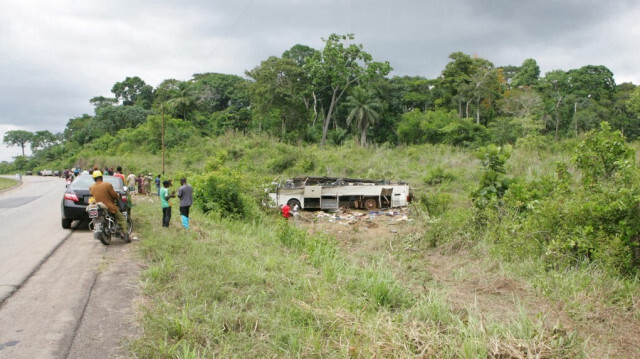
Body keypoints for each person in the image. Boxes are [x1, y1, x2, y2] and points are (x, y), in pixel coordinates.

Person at [89, 170, 129, 242]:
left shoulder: (91, 187)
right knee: (121, 218)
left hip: (99, 207)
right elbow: (114, 195)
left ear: (94, 179)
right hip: (109, 207)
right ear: (101, 177)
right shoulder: (107, 185)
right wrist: (117, 197)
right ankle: (126, 235)